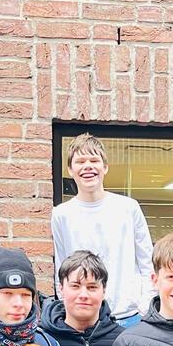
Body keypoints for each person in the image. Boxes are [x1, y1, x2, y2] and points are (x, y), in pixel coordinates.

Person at [51, 132, 154, 326]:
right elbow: (61, 267)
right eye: (80, 161)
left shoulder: (128, 208)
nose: (87, 166)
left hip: (129, 316)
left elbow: (147, 262)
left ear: (105, 167)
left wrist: (145, 307)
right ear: (70, 170)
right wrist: (68, 310)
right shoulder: (61, 214)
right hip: (84, 319)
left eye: (94, 160)